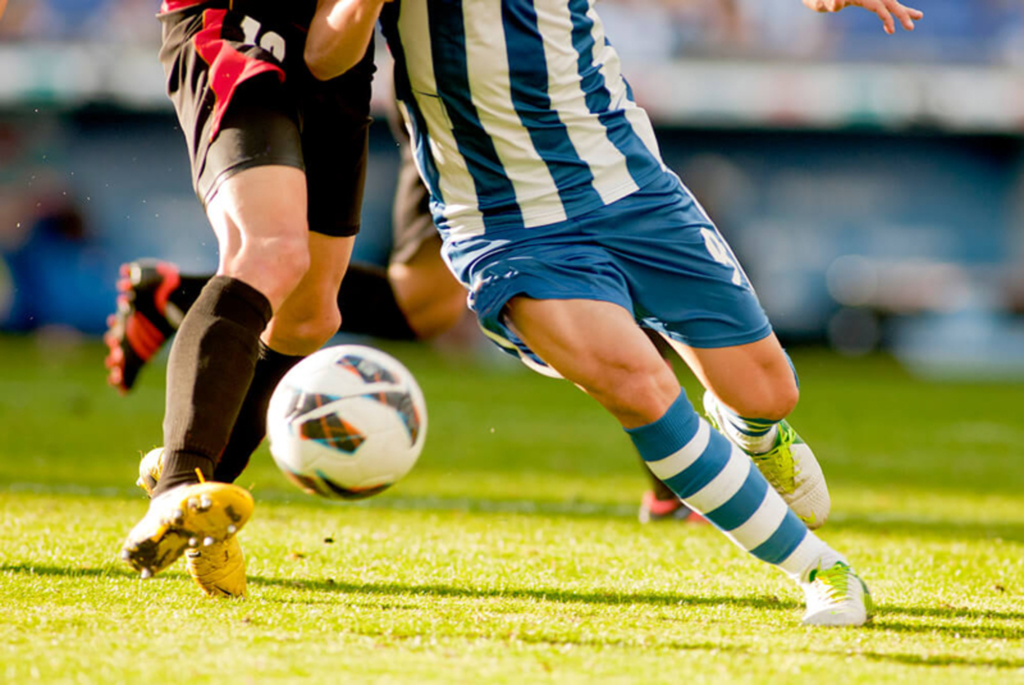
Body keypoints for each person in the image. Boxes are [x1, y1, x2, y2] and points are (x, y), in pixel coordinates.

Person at [302, 0, 921, 626]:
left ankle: (753, 431)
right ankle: (820, 570)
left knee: (766, 391)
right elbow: (325, 56)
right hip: (505, 223)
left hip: (626, 183)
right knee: (638, 385)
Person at [104, 108, 704, 524]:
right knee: (605, 250)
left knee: (422, 304)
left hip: (504, 95)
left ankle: (180, 297)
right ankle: (675, 485)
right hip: (496, 99)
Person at [117, 0, 377, 599]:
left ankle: (198, 499)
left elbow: (328, 52)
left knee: (311, 317)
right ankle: (180, 485)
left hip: (336, 61)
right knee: (270, 251)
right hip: (238, 23)